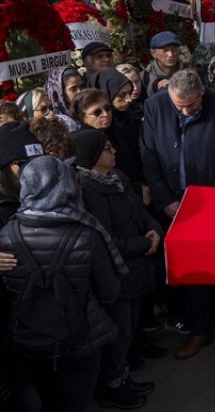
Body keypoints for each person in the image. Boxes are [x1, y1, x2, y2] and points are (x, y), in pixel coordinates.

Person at [0, 157, 124, 412]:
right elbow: (110, 292)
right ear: (67, 186)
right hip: (81, 336)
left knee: (45, 399)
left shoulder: (6, 234)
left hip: (26, 335)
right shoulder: (87, 232)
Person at [138, 69, 215, 360]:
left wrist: (211, 199)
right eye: (179, 106)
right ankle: (199, 330)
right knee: (193, 268)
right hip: (175, 204)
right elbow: (148, 155)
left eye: (192, 105)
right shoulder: (155, 106)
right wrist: (165, 200)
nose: (185, 111)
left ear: (203, 93)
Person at [72, 130, 161, 409]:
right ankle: (112, 385)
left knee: (130, 328)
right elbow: (106, 236)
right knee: (118, 333)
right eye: (108, 148)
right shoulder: (88, 189)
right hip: (118, 272)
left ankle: (122, 377)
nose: (115, 152)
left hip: (137, 267)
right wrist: (143, 244)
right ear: (92, 156)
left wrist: (154, 230)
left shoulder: (118, 179)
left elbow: (141, 212)